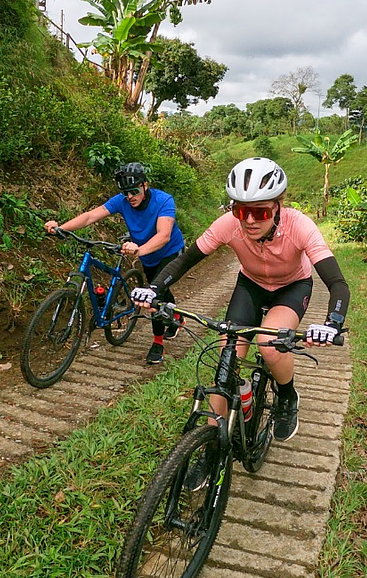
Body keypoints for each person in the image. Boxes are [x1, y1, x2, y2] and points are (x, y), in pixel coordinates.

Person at [131, 156, 349, 486]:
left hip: (292, 287)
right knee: (227, 355)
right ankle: (210, 446)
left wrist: (332, 323)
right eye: (239, 209)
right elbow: (187, 259)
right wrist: (154, 288)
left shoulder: (299, 225)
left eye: (259, 211)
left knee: (270, 343)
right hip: (250, 286)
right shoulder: (228, 225)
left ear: (278, 206)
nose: (248, 220)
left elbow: (337, 283)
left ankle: (287, 396)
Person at [44, 162, 185, 364]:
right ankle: (176, 316)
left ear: (145, 185)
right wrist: (61, 229)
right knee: (159, 284)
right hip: (147, 255)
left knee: (156, 291)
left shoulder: (164, 201)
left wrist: (139, 249)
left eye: (134, 191)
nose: (130, 197)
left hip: (170, 252)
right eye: (125, 192)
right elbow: (90, 216)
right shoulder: (122, 201)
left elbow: (164, 236)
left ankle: (158, 342)